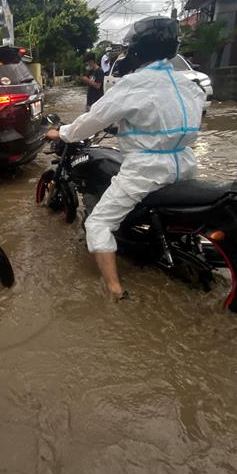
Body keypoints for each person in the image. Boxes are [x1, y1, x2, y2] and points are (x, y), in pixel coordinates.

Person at [46, 17, 204, 300]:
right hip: (186, 165)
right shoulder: (189, 83)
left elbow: (92, 120)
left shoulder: (133, 84)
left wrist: (64, 133)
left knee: (98, 223)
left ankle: (115, 291)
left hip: (148, 169)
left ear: (137, 50)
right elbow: (165, 119)